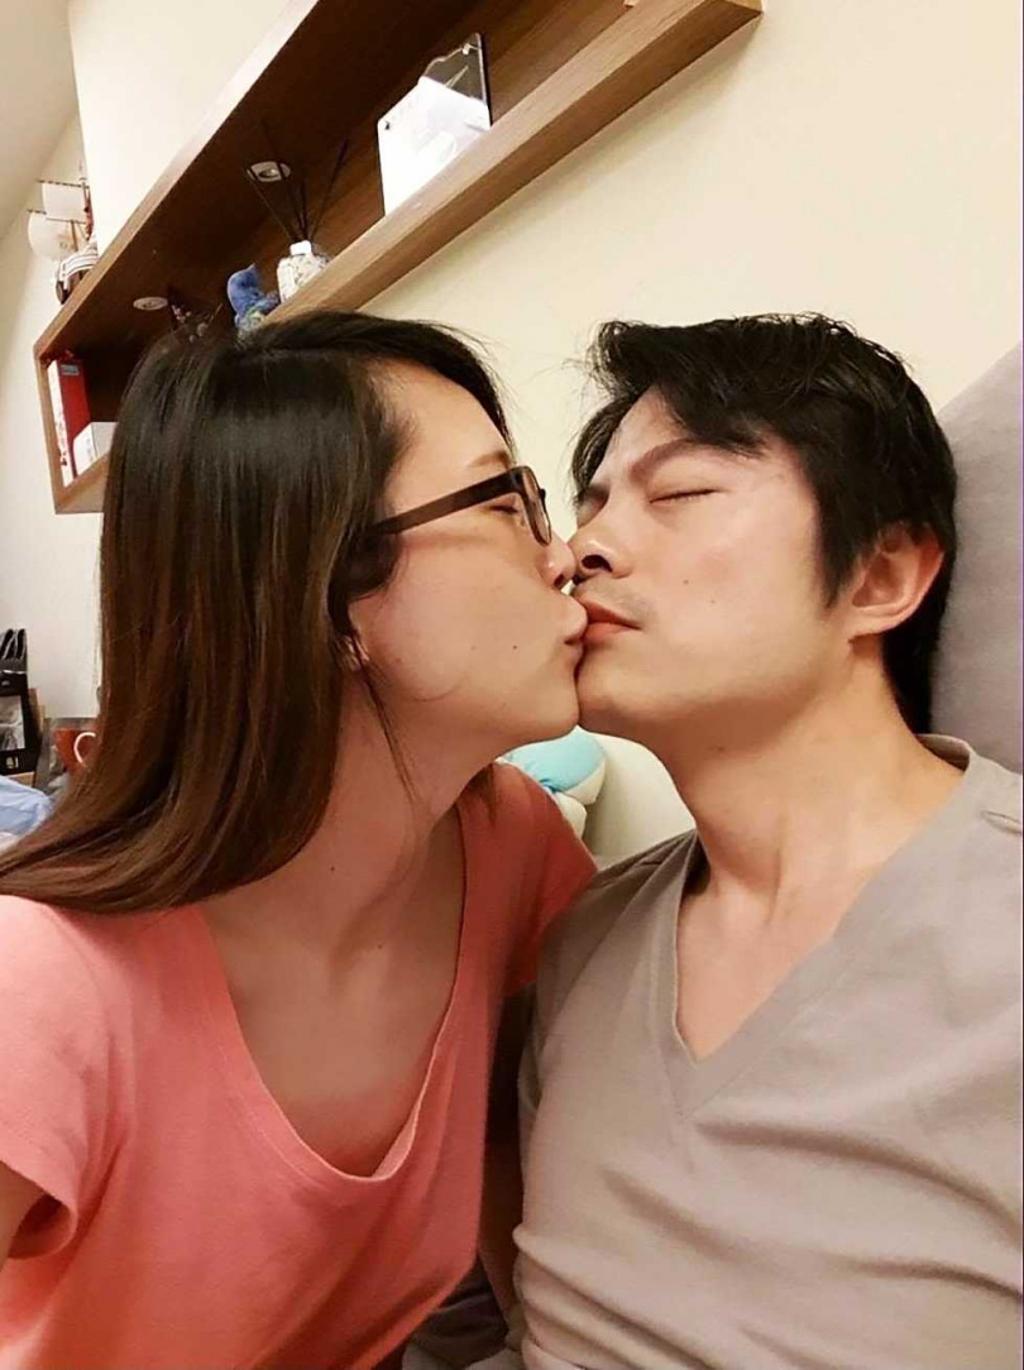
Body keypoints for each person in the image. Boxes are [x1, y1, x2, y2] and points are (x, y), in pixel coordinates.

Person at [0, 310, 595, 1369]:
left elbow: (526, 1150)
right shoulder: (45, 984)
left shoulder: (510, 843)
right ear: (330, 594)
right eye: (509, 504)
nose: (569, 557)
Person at [511, 314, 1022, 1369]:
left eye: (681, 494)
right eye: (590, 505)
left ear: (879, 577)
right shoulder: (584, 940)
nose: (580, 550)